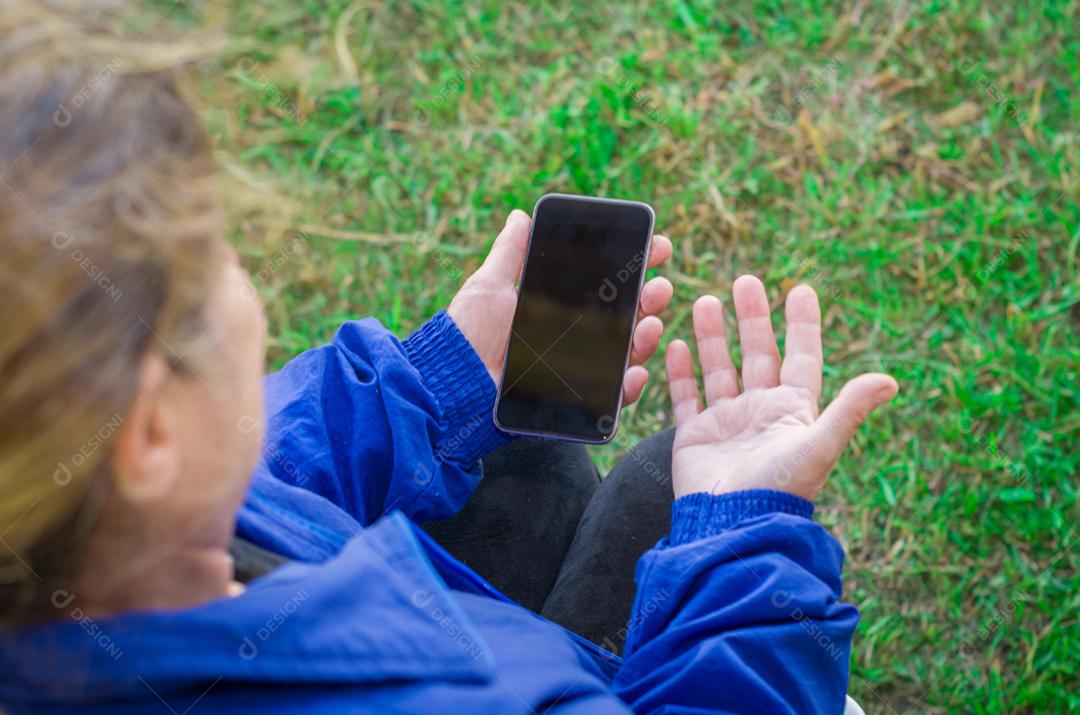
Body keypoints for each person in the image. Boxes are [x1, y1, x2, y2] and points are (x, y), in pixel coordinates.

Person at [0, 6, 898, 714]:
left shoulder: (83, 529)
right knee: (671, 489)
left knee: (528, 447)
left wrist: (434, 382)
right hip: (544, 678)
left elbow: (271, 470)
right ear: (152, 431)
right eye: (215, 263)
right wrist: (746, 562)